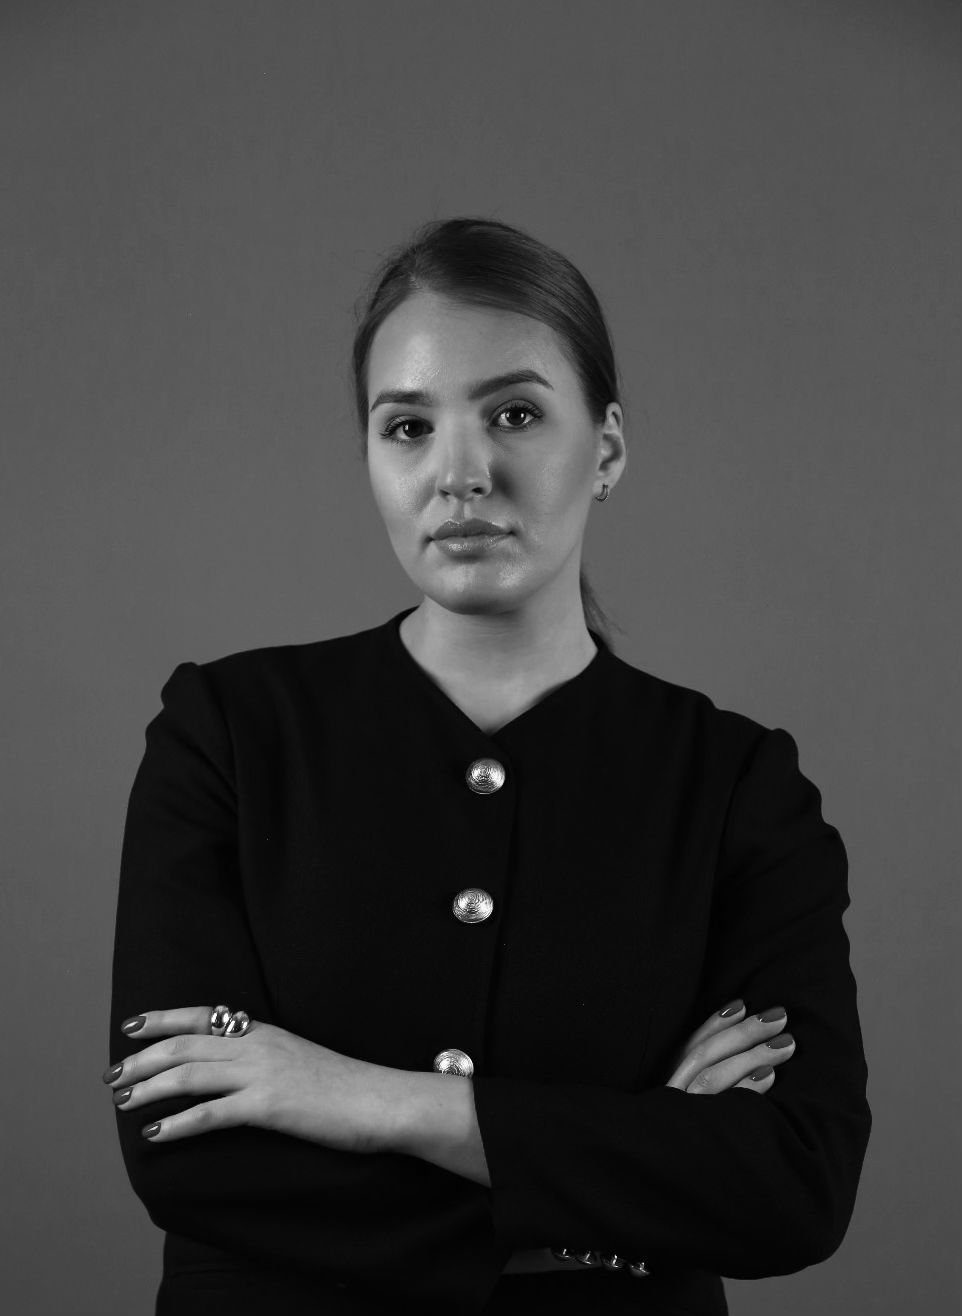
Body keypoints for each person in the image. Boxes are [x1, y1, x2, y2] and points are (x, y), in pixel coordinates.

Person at [105, 216, 871, 1315]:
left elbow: (794, 1183)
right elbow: (186, 1150)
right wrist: (627, 1173)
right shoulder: (227, 731)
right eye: (407, 427)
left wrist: (365, 1099)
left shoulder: (736, 784)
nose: (459, 473)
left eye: (514, 413)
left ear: (607, 448)